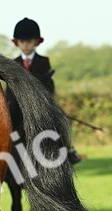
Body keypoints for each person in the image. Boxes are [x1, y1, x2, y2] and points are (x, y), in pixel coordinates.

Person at [10, 17, 82, 164]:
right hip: (18, 105)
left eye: (29, 42)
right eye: (22, 42)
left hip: (41, 105)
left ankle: (69, 149)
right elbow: (10, 89)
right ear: (17, 42)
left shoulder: (43, 61)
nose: (26, 45)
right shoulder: (13, 63)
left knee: (62, 120)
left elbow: (49, 86)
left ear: (36, 42)